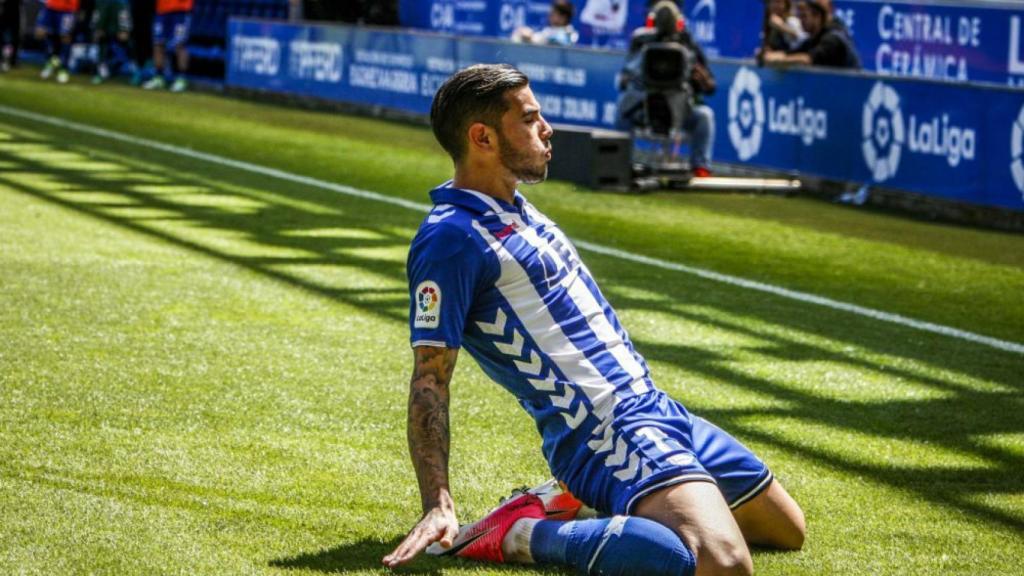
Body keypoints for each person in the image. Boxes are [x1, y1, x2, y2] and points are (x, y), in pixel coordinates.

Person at [382, 63, 805, 575]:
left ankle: (574, 501)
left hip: (656, 407)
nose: (548, 128)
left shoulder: (517, 208)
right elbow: (430, 379)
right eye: (531, 118)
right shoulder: (451, 238)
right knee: (724, 564)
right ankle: (520, 532)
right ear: (482, 137)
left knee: (785, 530)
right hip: (603, 431)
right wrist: (439, 503)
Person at [616, 1, 717, 177]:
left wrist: (703, 80)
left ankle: (700, 167)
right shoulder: (641, 41)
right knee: (623, 108)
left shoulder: (688, 44)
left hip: (679, 111)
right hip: (645, 109)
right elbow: (624, 78)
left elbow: (710, 86)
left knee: (704, 116)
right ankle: (619, 161)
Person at [761, 0, 860, 69]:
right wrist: (768, 55)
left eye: (804, 16)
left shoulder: (832, 39)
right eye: (799, 16)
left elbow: (808, 59)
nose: (800, 21)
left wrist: (781, 60)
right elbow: (793, 53)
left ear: (817, 17)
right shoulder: (812, 39)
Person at [142, 0, 191, 92]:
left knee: (180, 44)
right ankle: (158, 78)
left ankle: (181, 79)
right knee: (158, 43)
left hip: (180, 10)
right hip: (162, 10)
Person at [36, 0, 81, 83]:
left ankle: (63, 69)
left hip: (67, 9)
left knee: (65, 38)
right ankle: (51, 62)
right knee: (41, 33)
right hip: (50, 7)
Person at [91, 0, 132, 83]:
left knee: (124, 37)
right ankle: (101, 71)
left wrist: (124, 28)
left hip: (120, 4)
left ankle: (127, 69)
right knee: (100, 35)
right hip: (103, 3)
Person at [512, 0, 578, 47]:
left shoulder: (570, 34)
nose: (549, 16)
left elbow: (561, 40)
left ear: (563, 18)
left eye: (553, 13)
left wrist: (531, 37)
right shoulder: (549, 30)